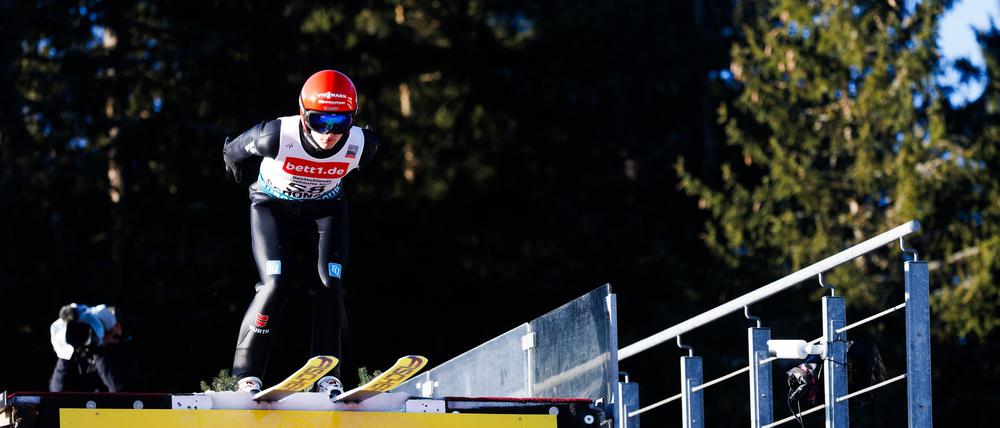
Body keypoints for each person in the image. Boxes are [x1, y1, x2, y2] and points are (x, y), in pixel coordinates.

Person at [222, 69, 380, 398]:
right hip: (272, 207)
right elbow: (232, 153)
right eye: (321, 122)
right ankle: (246, 374)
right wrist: (242, 180)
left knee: (330, 283)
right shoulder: (275, 135)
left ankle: (327, 374)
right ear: (303, 115)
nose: (330, 134)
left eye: (341, 123)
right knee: (275, 282)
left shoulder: (363, 145)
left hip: (325, 210)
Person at [49, 303, 133, 392]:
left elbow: (119, 391)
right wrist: (65, 352)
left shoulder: (118, 352)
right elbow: (57, 391)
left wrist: (99, 350)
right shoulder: (76, 353)